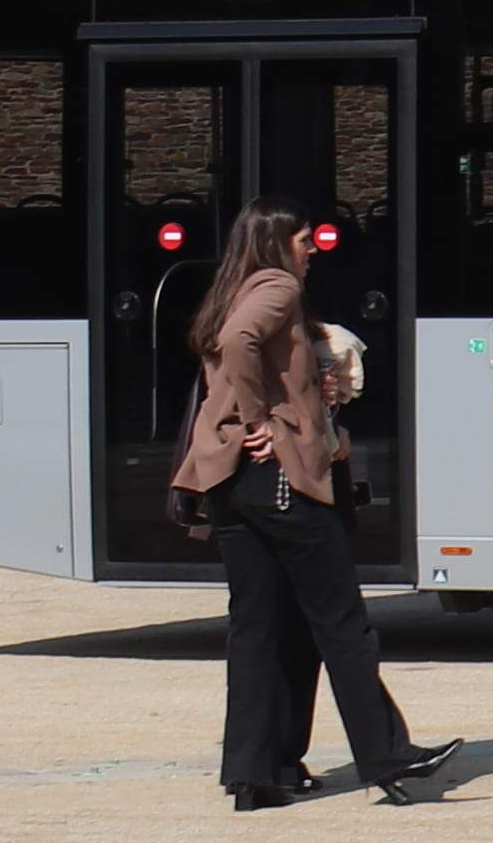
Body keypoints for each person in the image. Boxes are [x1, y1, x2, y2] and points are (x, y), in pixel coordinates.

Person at [172, 202, 426, 809]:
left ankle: (258, 774)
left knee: (258, 628)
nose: (313, 249)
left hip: (229, 481)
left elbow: (237, 353)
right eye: (305, 239)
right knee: (340, 622)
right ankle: (384, 752)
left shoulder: (230, 288)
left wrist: (310, 379)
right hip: (278, 479)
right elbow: (242, 343)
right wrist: (263, 420)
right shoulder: (277, 286)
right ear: (277, 243)